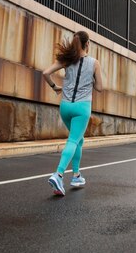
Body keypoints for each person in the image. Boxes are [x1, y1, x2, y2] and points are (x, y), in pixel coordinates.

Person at [42, 31, 103, 196]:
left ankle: (76, 175)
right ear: (87, 44)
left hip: (65, 107)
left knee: (78, 140)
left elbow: (45, 73)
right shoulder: (94, 63)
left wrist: (55, 88)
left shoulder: (68, 60)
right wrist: (90, 79)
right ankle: (58, 174)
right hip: (82, 108)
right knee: (73, 140)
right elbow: (100, 88)